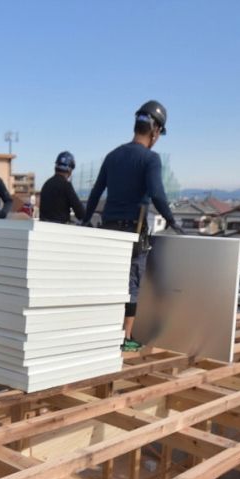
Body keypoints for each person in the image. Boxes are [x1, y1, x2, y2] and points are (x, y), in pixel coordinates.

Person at [82, 100, 184, 351]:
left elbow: (96, 192)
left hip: (108, 230)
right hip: (131, 232)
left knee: (108, 282)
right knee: (131, 285)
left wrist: (84, 219)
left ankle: (101, 331)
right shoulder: (150, 159)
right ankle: (124, 339)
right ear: (155, 130)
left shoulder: (114, 155)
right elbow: (158, 195)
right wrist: (171, 220)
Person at [38, 151, 86, 224]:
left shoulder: (46, 184)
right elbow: (80, 213)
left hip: (43, 228)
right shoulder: (66, 185)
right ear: (70, 169)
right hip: (60, 230)